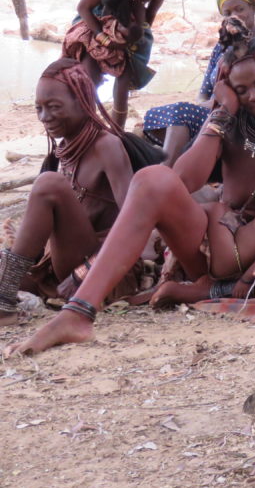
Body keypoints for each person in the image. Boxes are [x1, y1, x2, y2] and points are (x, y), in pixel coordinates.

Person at [4, 34, 255, 356]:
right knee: (153, 179)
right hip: (211, 245)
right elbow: (183, 181)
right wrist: (220, 116)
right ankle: (78, 312)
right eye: (241, 89)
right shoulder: (231, 124)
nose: (253, 96)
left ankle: (207, 291)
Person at [0, 60, 162, 324]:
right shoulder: (64, 150)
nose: (44, 117)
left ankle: (2, 304)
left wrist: (85, 272)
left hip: (104, 269)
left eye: (54, 107)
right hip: (62, 265)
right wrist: (24, 243)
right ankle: (4, 292)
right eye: (39, 109)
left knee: (48, 184)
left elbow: (135, 223)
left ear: (83, 101)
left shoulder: (106, 145)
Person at [142, 0, 255, 165]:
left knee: (181, 113)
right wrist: (204, 106)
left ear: (253, 8)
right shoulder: (222, 46)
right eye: (228, 12)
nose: (235, 16)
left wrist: (213, 107)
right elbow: (204, 90)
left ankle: (167, 171)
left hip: (240, 115)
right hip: (212, 109)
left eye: (240, 9)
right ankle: (179, 172)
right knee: (153, 116)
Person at [61, 0, 179, 128]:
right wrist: (104, 38)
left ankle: (118, 133)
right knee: (88, 75)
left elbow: (147, 20)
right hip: (94, 24)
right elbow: (83, 7)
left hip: (128, 31)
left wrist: (130, 34)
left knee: (124, 78)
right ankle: (81, 127)